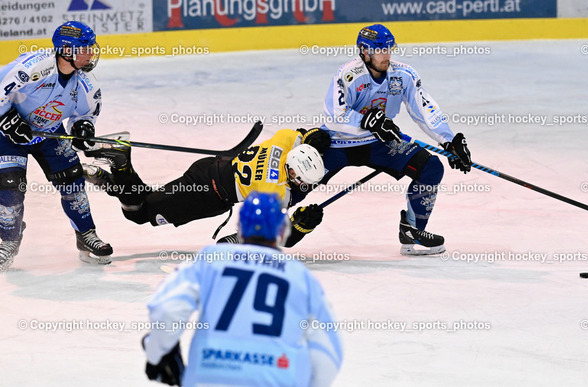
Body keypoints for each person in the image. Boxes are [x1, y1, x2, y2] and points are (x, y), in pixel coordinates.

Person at [142, 191, 343, 386]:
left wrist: (157, 353)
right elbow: (328, 352)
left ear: (240, 228)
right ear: (282, 231)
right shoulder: (300, 276)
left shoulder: (210, 260)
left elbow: (166, 310)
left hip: (209, 377)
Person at [317, 24, 472, 256]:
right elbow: (335, 116)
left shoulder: (403, 75)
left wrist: (448, 141)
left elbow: (425, 109)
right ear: (364, 51)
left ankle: (412, 231)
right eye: (380, 50)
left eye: (389, 48)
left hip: (381, 142)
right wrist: (366, 121)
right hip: (341, 142)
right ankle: (260, 227)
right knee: (301, 177)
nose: (386, 54)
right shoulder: (348, 75)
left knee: (430, 167)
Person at [84, 127, 330, 247]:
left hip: (209, 167)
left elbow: (303, 135)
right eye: (302, 181)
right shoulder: (275, 192)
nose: (302, 187)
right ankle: (119, 163)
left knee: (148, 199)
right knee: (138, 214)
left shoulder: (284, 141)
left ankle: (112, 180)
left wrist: (314, 136)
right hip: (206, 195)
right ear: (293, 170)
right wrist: (300, 226)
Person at [0, 21, 112, 270]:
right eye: (85, 49)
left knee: (72, 180)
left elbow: (86, 113)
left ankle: (85, 234)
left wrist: (83, 128)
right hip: (8, 137)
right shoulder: (32, 69)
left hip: (48, 134)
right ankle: (8, 239)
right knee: (10, 187)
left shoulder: (85, 83)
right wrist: (5, 118)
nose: (91, 54)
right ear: (67, 51)